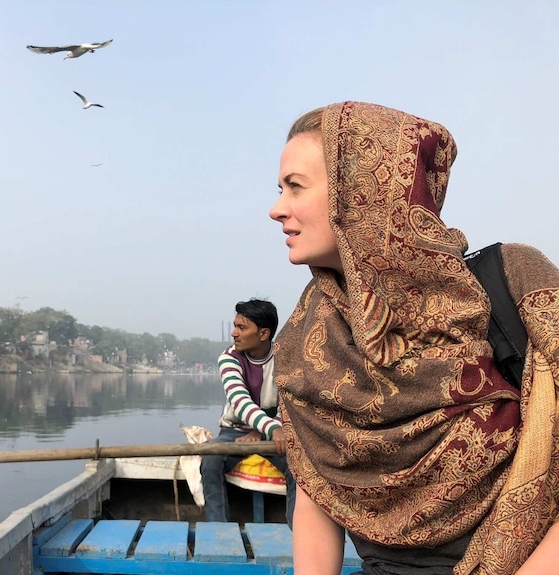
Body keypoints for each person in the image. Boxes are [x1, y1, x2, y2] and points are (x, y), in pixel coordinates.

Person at [269, 101, 559, 574]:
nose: (276, 209)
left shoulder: (514, 284)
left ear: (362, 192)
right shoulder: (308, 339)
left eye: (295, 187)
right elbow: (317, 495)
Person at [200, 298, 295, 525]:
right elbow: (240, 402)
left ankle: (297, 530)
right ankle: (217, 530)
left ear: (263, 334)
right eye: (235, 326)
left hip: (277, 430)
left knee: (299, 466)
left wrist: (264, 432)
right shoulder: (229, 358)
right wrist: (269, 428)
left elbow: (291, 404)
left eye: (242, 327)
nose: (234, 333)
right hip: (235, 431)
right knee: (211, 459)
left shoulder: (286, 358)